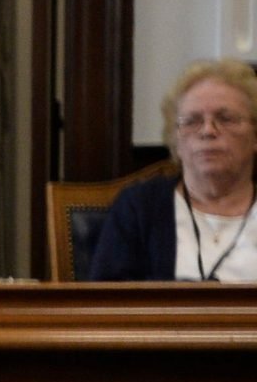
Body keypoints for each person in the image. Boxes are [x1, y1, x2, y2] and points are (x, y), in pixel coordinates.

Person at [93, 59, 257, 281]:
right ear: (175, 140)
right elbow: (106, 305)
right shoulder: (139, 208)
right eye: (192, 121)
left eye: (225, 119)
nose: (208, 131)